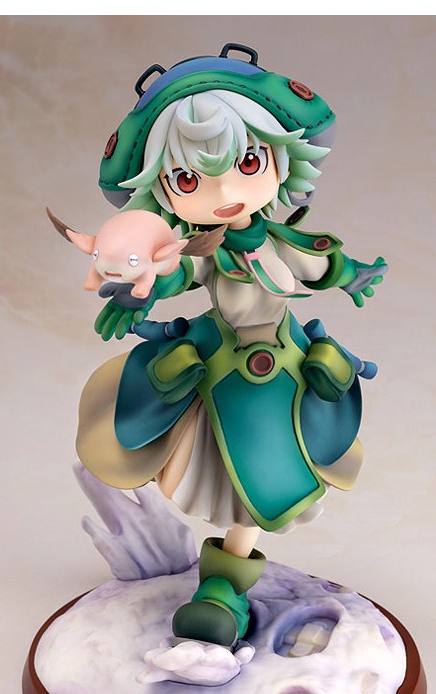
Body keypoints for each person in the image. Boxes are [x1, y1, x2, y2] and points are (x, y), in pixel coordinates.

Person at [75, 44, 387, 649]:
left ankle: (224, 587)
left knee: (270, 474)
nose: (223, 190)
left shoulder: (281, 238)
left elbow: (320, 263)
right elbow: (178, 272)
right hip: (221, 368)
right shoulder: (205, 247)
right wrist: (142, 288)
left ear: (280, 156)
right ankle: (219, 588)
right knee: (220, 467)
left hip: (284, 368)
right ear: (162, 191)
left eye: (246, 161)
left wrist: (354, 275)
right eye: (189, 179)